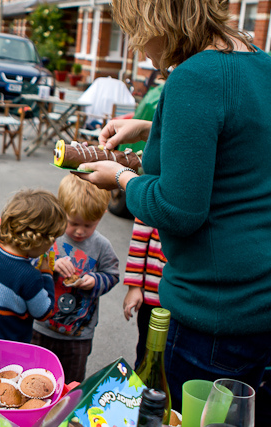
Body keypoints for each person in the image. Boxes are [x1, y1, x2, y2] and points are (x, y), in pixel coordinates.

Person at [76, 0, 271, 416]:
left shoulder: (195, 77)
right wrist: (152, 128)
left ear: (157, 19)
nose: (138, 48)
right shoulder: (260, 62)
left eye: (135, 31)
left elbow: (179, 209)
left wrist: (122, 179)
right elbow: (234, 149)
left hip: (213, 313)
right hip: (258, 302)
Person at [32, 174, 119, 384]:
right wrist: (50, 264)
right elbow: (31, 262)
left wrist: (95, 281)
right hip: (41, 328)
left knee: (71, 383)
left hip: (78, 335)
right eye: (73, 223)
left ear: (102, 215)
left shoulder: (101, 246)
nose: (80, 231)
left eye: (89, 225)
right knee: (36, 379)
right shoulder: (51, 236)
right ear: (61, 210)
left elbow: (112, 274)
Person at [0, 189, 66, 343]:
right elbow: (44, 313)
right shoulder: (30, 277)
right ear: (38, 239)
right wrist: (46, 273)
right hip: (10, 346)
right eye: (52, 239)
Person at [123, 218, 166, 369]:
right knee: (146, 355)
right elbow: (139, 238)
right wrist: (134, 286)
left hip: (184, 300)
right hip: (152, 296)